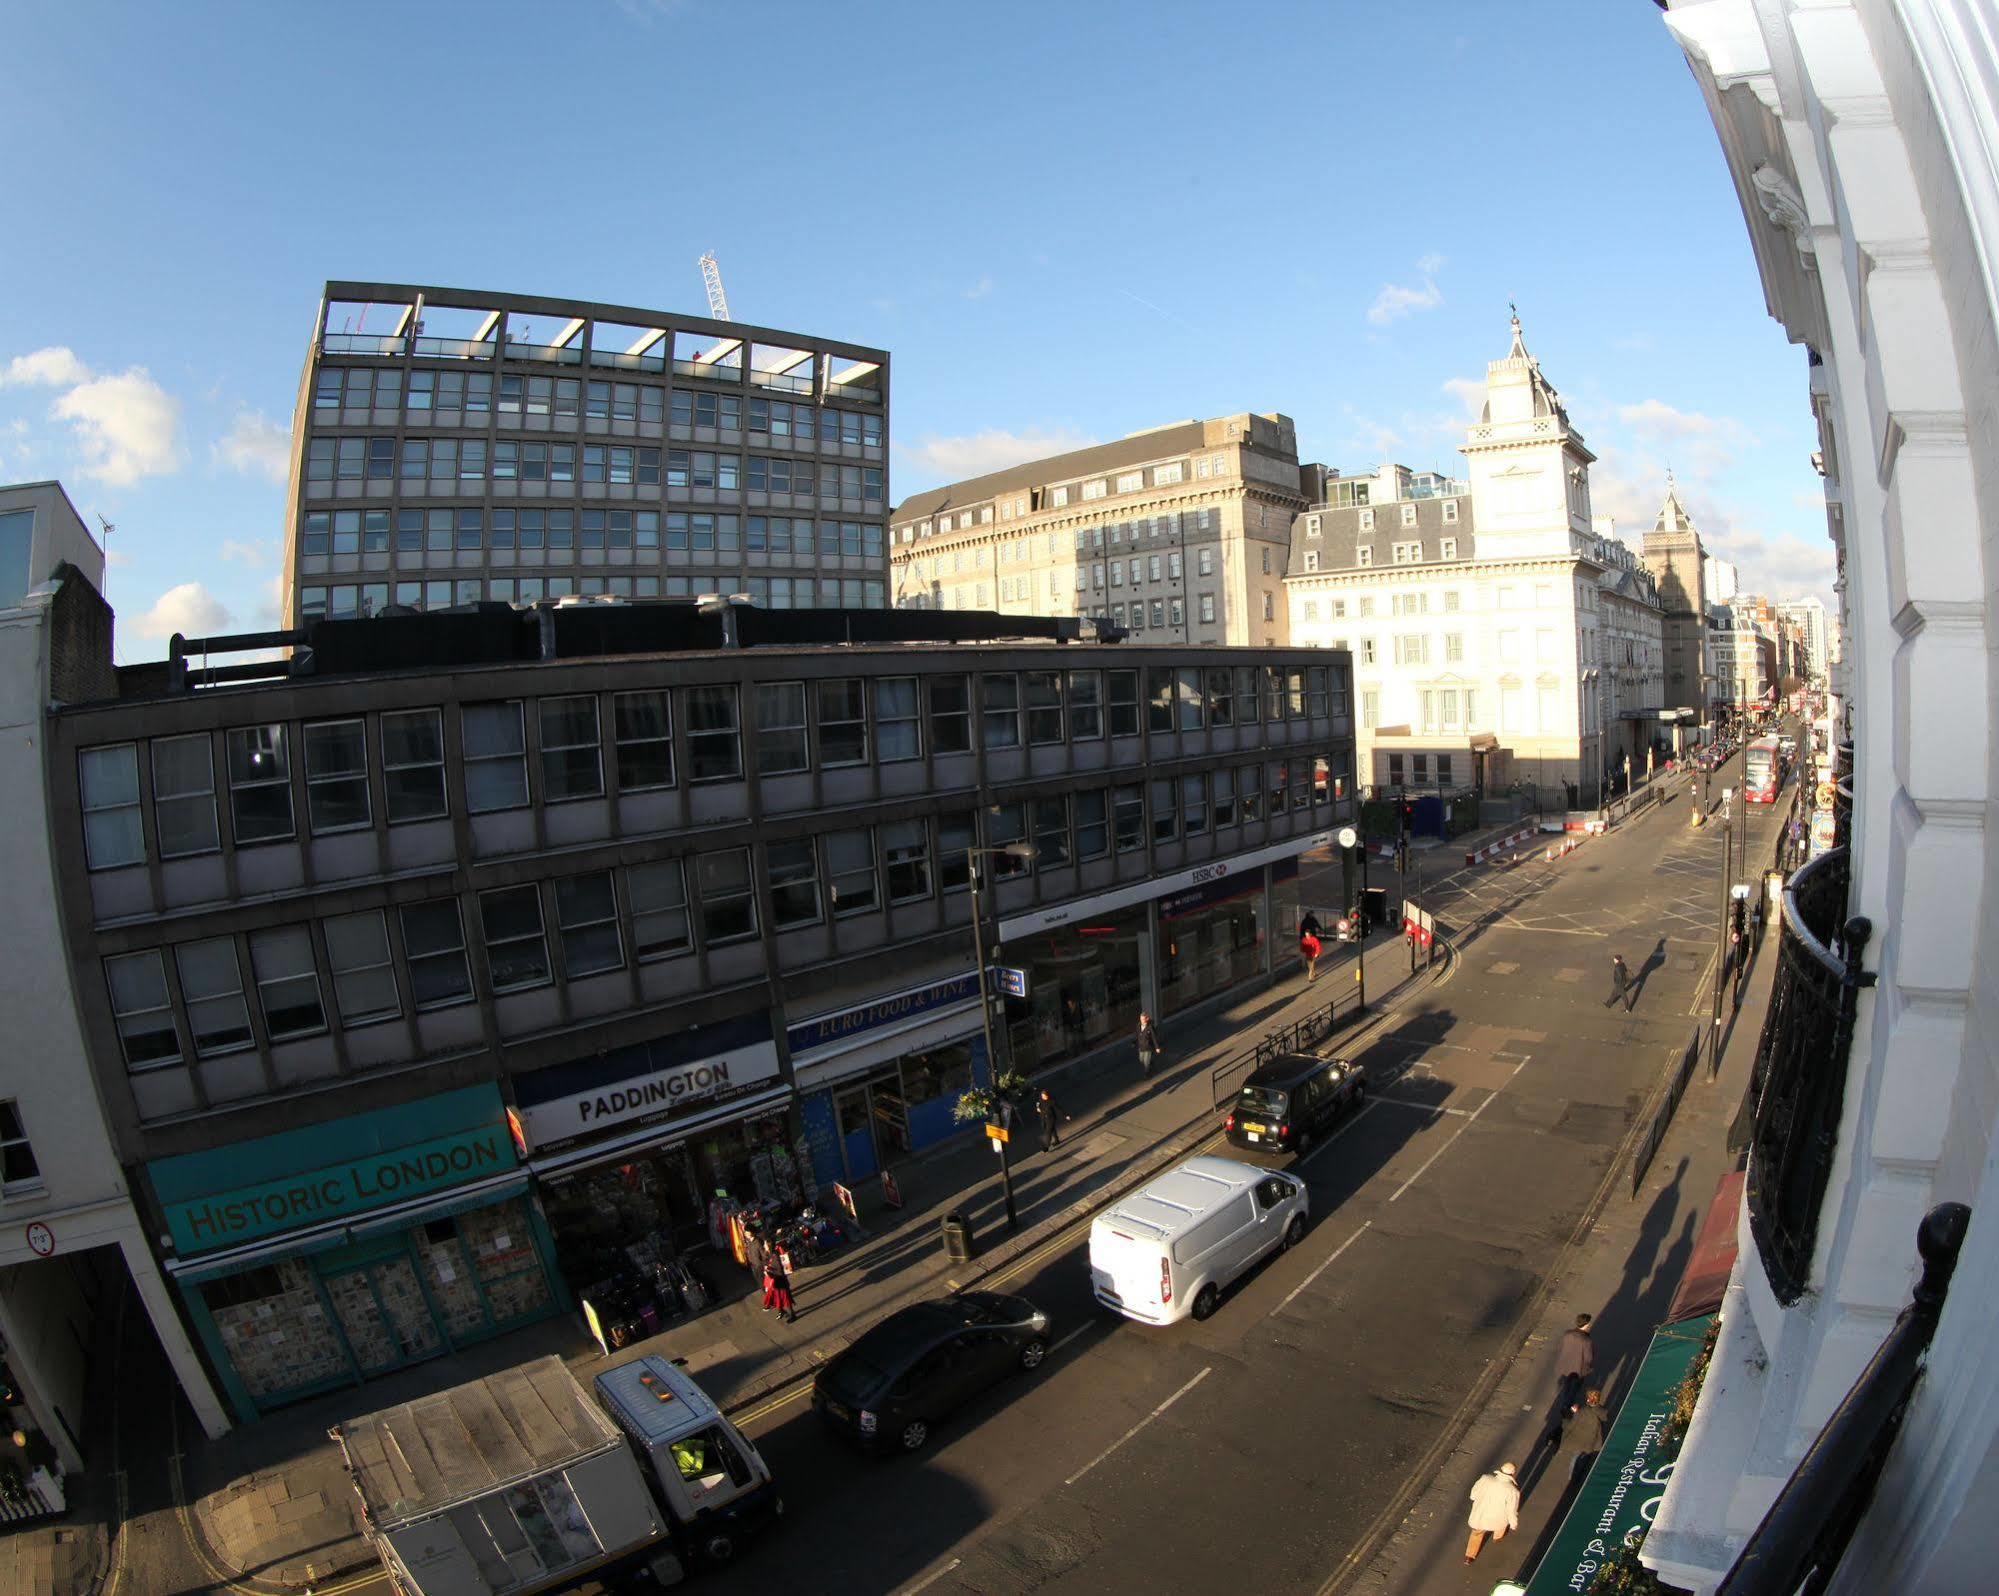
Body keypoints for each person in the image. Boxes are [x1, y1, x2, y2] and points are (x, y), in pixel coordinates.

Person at [1464, 1462, 1519, 1564]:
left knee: (1476, 1533)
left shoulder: (1485, 1479)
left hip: (1480, 1514)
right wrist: (1513, 1524)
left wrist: (1473, 1497)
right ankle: (1497, 1537)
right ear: (1513, 1474)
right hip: (1497, 1518)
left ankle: (1469, 1556)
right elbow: (1511, 1510)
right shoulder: (1513, 1491)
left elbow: (1475, 1491)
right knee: (1502, 1524)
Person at [1557, 1388, 1609, 1485]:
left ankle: (1572, 1477)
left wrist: (1569, 1416)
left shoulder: (1582, 1411)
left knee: (1575, 1457)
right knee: (1586, 1456)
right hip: (1592, 1440)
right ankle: (1580, 1472)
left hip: (1579, 1439)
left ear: (1588, 1399)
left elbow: (1571, 1424)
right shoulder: (1602, 1411)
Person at [1555, 1312, 1596, 1413]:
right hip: (1578, 1368)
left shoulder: (1567, 1334)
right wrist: (1589, 1366)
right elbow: (1588, 1358)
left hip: (1565, 1365)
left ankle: (1565, 1402)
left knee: (1566, 1385)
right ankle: (1567, 1405)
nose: (1590, 1325)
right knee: (1574, 1388)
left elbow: (1560, 1347)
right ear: (1585, 1325)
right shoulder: (1586, 1340)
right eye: (1588, 1323)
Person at [762, 1254, 796, 1324]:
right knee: (779, 1298)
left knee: (786, 1299)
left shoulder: (775, 1257)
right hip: (777, 1282)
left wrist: (769, 1270)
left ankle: (792, 1315)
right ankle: (783, 1311)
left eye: (765, 1244)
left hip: (781, 1282)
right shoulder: (771, 1256)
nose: (764, 1246)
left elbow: (779, 1271)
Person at [1136, 1011, 1163, 1078]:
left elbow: (1154, 1038)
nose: (1141, 1020)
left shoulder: (1150, 1027)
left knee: (1146, 1063)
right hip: (1141, 1047)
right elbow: (1137, 1035)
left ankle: (1147, 1074)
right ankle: (1151, 1063)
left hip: (1148, 1047)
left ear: (1147, 1019)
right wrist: (1134, 1042)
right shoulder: (1138, 1026)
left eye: (1143, 1019)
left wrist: (1157, 1047)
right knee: (1141, 1059)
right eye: (1140, 1019)